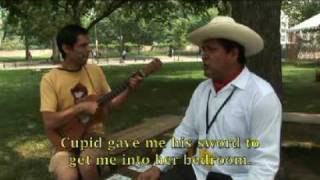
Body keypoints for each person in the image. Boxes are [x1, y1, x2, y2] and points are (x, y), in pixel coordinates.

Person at [138, 16, 282, 180]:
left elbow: (264, 165)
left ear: (234, 54)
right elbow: (186, 132)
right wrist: (158, 166)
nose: (204, 56)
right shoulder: (202, 90)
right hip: (197, 171)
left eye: (211, 49)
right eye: (203, 49)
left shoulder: (261, 97)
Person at [40, 24, 143, 180]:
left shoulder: (94, 70)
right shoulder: (50, 79)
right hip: (64, 140)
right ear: (66, 48)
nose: (89, 49)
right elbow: (49, 121)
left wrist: (129, 89)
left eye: (88, 44)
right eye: (83, 45)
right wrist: (81, 107)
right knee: (68, 176)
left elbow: (113, 104)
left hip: (94, 135)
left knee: (86, 164)